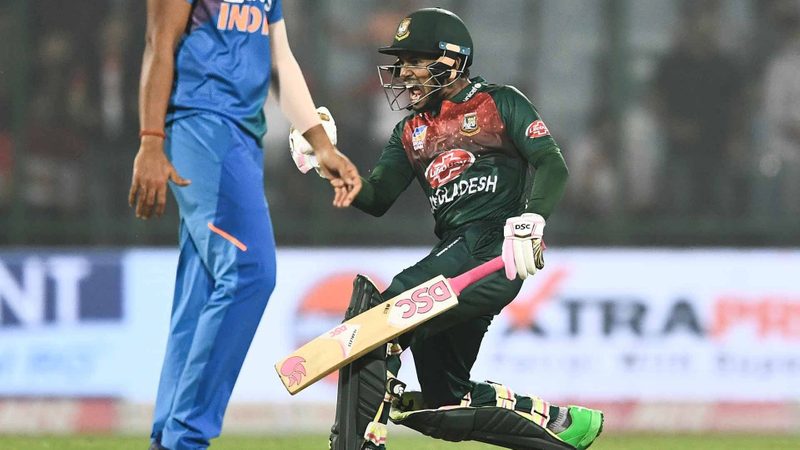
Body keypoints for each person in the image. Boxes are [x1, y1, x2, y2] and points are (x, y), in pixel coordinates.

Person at [312, 7, 603, 450]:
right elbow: (375, 198)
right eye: (401, 63)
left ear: (450, 61)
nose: (403, 73)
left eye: (415, 61)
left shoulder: (498, 102)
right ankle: (564, 424)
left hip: (494, 248)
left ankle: (359, 442)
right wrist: (325, 163)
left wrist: (532, 218)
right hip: (458, 256)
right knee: (445, 403)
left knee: (387, 316)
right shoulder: (409, 130)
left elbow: (551, 163)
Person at [127, 1, 361, 449]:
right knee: (249, 271)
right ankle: (186, 438)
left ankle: (169, 436)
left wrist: (320, 143)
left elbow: (281, 60)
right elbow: (159, 44)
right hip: (200, 126)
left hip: (243, 136)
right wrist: (150, 141)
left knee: (203, 286)